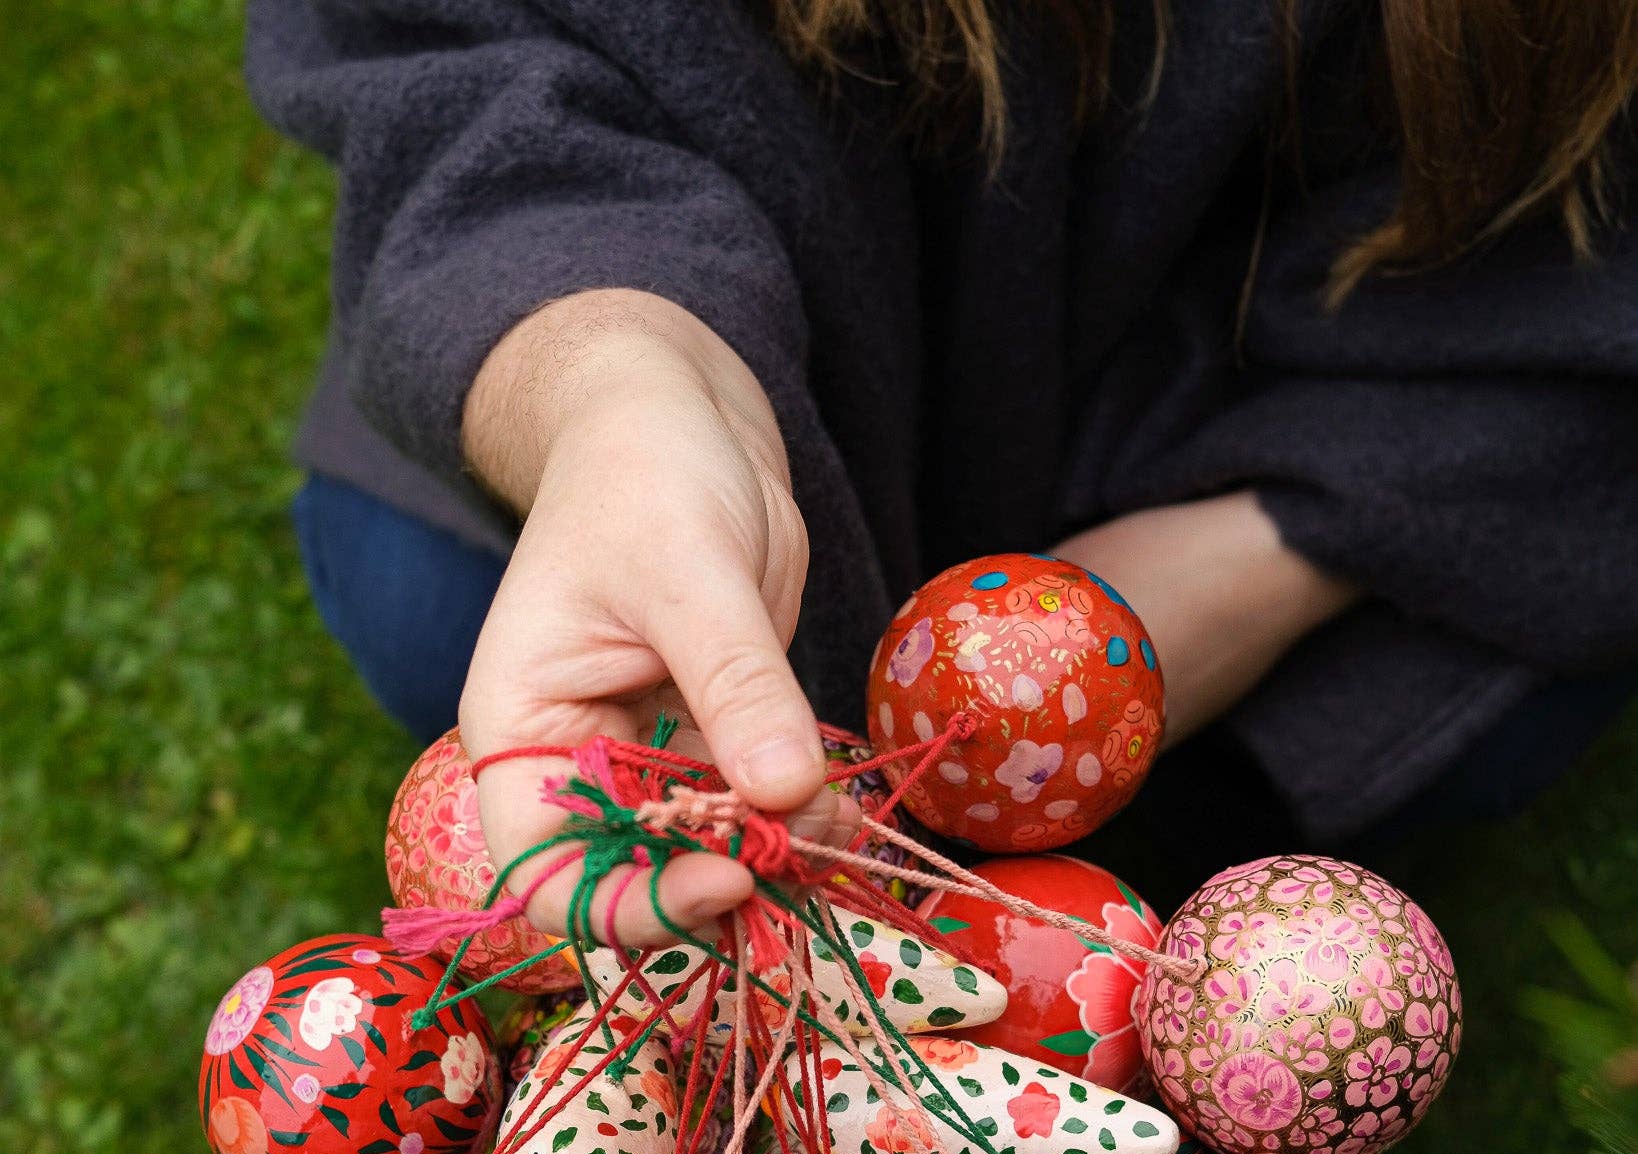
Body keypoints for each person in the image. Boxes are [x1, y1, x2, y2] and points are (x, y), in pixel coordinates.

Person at [248, 0, 1638, 934]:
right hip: (748, 286)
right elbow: (463, 45)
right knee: (433, 605)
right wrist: (618, 375)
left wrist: (1295, 532)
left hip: (1318, 366)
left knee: (1455, 730)